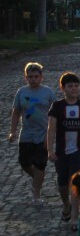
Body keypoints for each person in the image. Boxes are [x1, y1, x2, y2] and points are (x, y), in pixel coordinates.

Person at [47, 72, 80, 231]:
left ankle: (75, 219)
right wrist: (50, 149)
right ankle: (66, 205)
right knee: (63, 185)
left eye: (76, 86)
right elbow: (51, 129)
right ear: (63, 88)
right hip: (62, 151)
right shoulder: (57, 106)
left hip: (79, 150)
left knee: (75, 184)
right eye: (70, 86)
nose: (74, 89)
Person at [8, 62, 57, 205]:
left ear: (41, 77)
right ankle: (38, 178)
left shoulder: (48, 92)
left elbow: (56, 113)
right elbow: (16, 112)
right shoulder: (21, 92)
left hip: (43, 134)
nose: (33, 79)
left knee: (40, 164)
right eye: (30, 77)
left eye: (36, 76)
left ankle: (36, 193)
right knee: (24, 162)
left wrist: (54, 133)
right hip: (26, 134)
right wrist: (12, 131)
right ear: (26, 78)